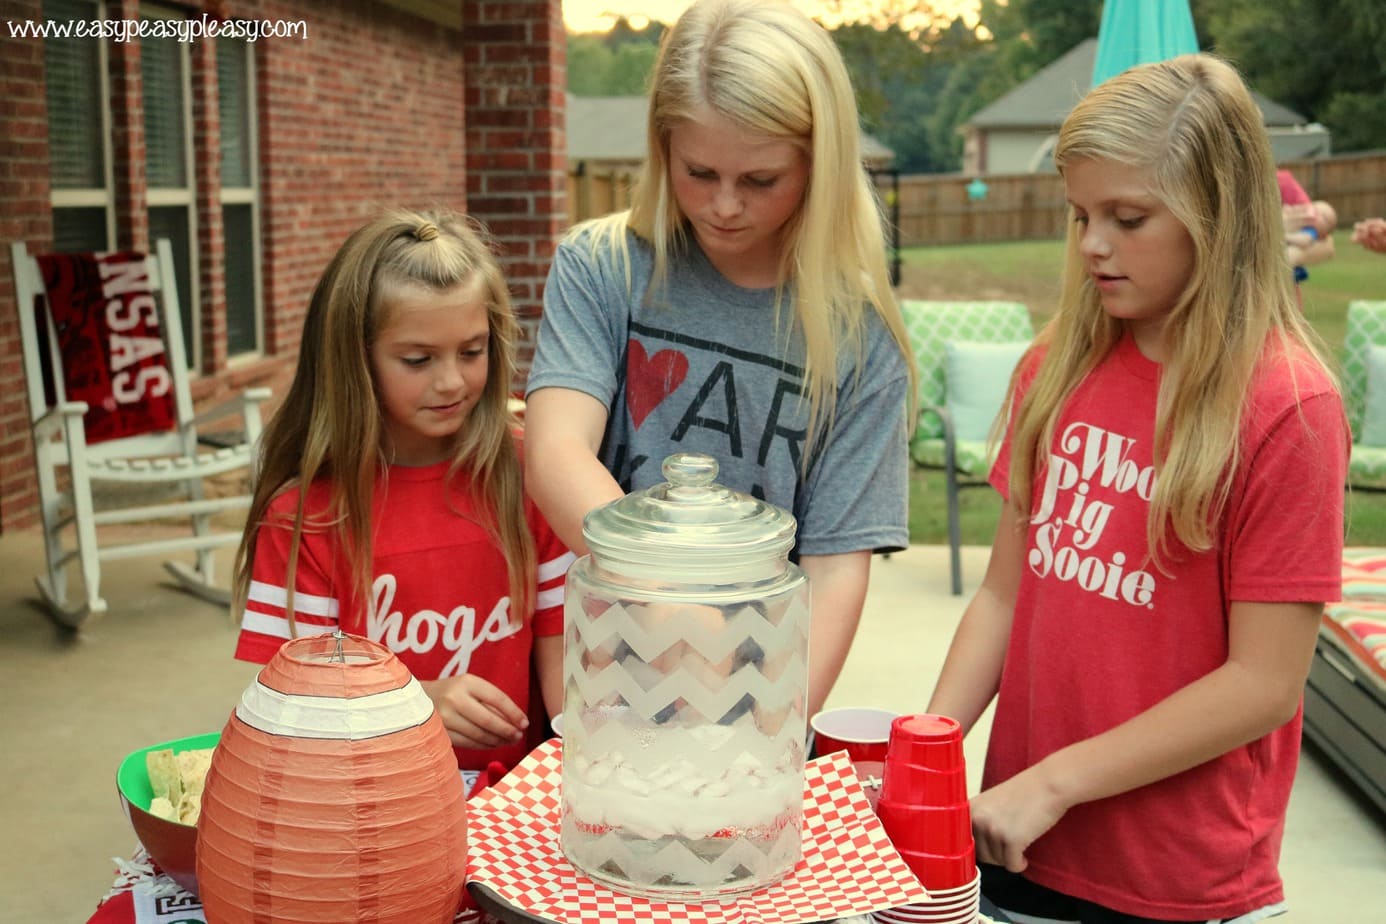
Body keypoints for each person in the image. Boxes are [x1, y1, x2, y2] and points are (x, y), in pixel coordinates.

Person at [927, 55, 1348, 923]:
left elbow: (1265, 683)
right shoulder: (1055, 367)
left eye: (1127, 218)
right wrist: (929, 748)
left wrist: (1057, 782)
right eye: (1080, 215)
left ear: (1219, 219)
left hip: (1176, 881)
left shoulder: (1288, 407)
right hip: (1017, 841)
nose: (1090, 245)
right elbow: (1007, 595)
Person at [523, 0, 915, 720]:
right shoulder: (605, 267)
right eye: (699, 171)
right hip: (593, 696)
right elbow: (554, 454)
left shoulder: (860, 339)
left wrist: (770, 719)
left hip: (755, 703)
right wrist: (686, 611)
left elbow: (834, 569)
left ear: (818, 164)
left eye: (761, 180)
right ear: (662, 145)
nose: (725, 205)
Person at [232, 208, 572, 786]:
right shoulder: (303, 518)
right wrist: (416, 702)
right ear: (354, 359)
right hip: (369, 807)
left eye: (472, 351)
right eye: (418, 360)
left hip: (517, 803)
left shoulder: (530, 473)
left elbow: (565, 660)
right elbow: (288, 709)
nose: (452, 381)